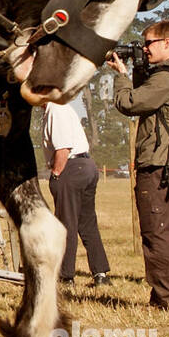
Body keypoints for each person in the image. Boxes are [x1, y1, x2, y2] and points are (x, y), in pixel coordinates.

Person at [106, 20, 169, 310]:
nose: (144, 48)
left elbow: (129, 103)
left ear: (167, 43)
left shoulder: (165, 79)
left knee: (157, 233)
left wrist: (122, 75)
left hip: (158, 166)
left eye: (148, 43)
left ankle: (164, 301)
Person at [41, 100, 110, 287]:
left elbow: (63, 148)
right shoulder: (58, 108)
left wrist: (56, 174)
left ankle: (66, 276)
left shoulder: (55, 108)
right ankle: (100, 272)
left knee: (65, 223)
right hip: (85, 166)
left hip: (71, 168)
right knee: (87, 223)